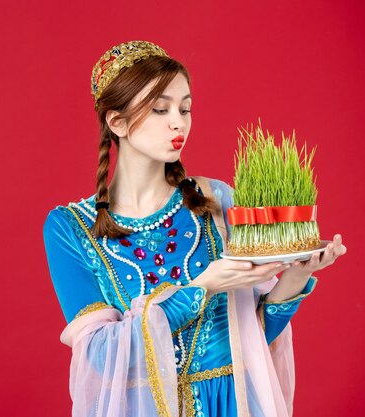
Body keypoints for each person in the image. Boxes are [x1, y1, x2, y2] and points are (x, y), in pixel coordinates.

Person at [42, 40, 347, 417]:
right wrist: (204, 287)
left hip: (232, 404)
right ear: (116, 121)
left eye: (185, 109)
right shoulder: (71, 228)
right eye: (160, 109)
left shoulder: (216, 201)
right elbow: (103, 357)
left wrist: (297, 276)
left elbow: (253, 337)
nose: (178, 122)